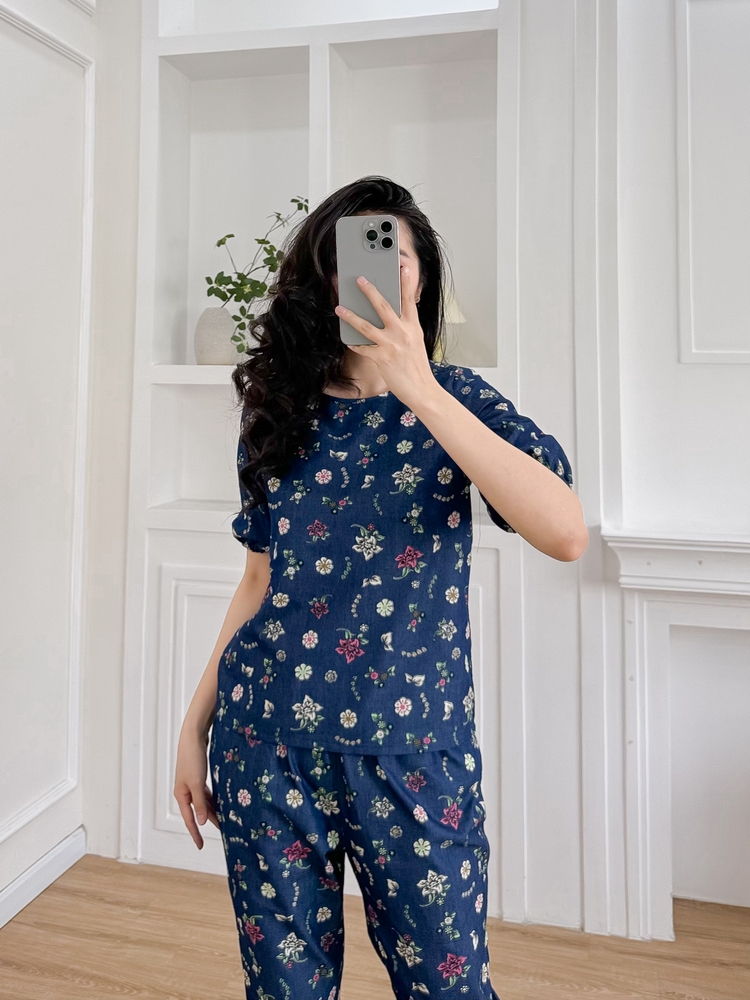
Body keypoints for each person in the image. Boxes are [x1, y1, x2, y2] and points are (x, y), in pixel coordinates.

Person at [174, 176, 588, 1000]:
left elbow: (565, 533)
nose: (380, 267)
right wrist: (194, 725)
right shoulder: (279, 410)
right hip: (267, 742)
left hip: (413, 752)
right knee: (285, 990)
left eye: (396, 251)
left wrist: (419, 386)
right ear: (323, 278)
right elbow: (257, 579)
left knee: (447, 985)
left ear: (422, 277)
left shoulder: (458, 402)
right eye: (355, 251)